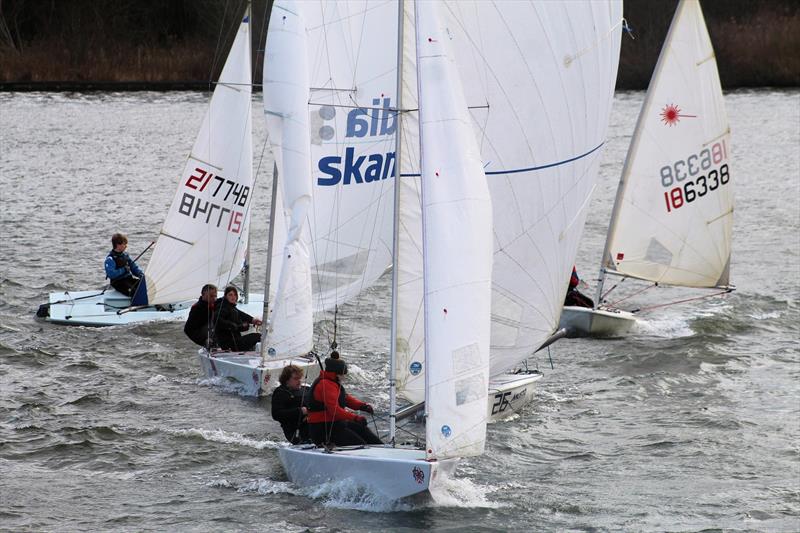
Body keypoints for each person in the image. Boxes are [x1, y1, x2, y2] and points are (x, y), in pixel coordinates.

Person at [307, 351, 382, 447]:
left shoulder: (332, 383)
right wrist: (355, 418)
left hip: (335, 425)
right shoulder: (325, 385)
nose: (344, 377)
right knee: (360, 445)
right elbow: (335, 411)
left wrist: (363, 406)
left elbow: (346, 399)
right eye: (343, 374)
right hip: (323, 429)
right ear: (336, 374)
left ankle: (381, 448)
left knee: (363, 430)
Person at [214, 285, 262, 351]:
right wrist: (236, 326)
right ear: (225, 296)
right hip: (229, 344)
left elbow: (241, 315)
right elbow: (218, 321)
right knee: (259, 336)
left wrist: (252, 320)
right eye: (230, 295)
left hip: (234, 341)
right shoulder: (223, 308)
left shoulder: (230, 307)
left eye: (235, 295)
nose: (233, 297)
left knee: (257, 337)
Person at [271, 365, 311, 444]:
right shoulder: (280, 392)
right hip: (293, 430)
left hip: (311, 424)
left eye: (300, 378)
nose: (299, 381)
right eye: (296, 379)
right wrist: (300, 411)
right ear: (286, 380)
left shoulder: (306, 389)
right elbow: (276, 414)